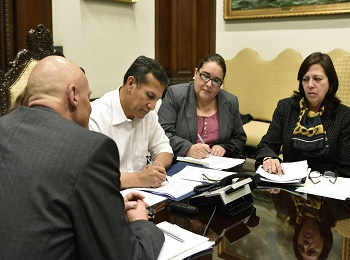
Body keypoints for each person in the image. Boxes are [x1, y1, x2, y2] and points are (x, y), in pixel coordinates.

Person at [0, 56, 165, 259]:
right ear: (73, 96)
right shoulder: (90, 148)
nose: (90, 107)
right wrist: (142, 224)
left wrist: (107, 206)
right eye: (89, 97)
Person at [255, 52, 350, 177]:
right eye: (306, 79)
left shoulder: (344, 115)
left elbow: (345, 169)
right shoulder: (286, 107)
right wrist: (268, 158)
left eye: (317, 79)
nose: (310, 85)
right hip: (289, 182)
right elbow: (267, 144)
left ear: (330, 83)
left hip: (325, 186)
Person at [89, 56, 173, 189]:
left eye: (157, 99)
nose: (152, 106)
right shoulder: (95, 117)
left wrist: (156, 168)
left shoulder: (148, 115)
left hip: (145, 196)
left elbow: (165, 150)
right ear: (130, 84)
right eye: (150, 96)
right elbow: (93, 176)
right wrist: (140, 179)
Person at [158, 53, 246, 160]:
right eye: (205, 76)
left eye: (216, 81)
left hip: (217, 166)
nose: (209, 84)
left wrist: (224, 148)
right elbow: (162, 134)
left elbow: (239, 139)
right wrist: (188, 149)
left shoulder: (230, 102)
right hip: (181, 163)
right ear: (196, 73)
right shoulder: (175, 95)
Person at [272, 190, 350, 259]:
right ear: (324, 245)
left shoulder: (283, 205)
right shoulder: (343, 210)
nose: (305, 245)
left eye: (300, 247)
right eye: (312, 251)